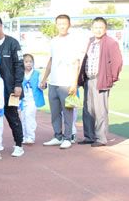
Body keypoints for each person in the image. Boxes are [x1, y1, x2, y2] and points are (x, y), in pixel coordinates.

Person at [77, 17, 123, 147]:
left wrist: (111, 78)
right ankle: (89, 136)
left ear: (105, 29)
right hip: (88, 79)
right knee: (88, 109)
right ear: (92, 28)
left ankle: (101, 138)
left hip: (101, 79)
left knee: (100, 110)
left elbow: (117, 62)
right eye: (96, 27)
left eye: (101, 27)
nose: (98, 30)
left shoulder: (111, 43)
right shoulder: (90, 41)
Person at [39, 14, 82, 150]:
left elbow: (76, 63)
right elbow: (51, 60)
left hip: (67, 82)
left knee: (67, 112)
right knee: (55, 112)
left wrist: (74, 83)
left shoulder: (73, 40)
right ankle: (58, 136)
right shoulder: (53, 41)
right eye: (59, 24)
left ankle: (68, 138)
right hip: (54, 82)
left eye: (64, 23)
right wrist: (44, 78)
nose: (62, 26)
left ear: (69, 25)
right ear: (56, 25)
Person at [0, 15, 25, 157]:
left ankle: (18, 145)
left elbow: (19, 65)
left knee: (12, 117)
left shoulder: (13, 43)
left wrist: (18, 84)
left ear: (0, 26)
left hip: (9, 88)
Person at [20, 53, 45, 145]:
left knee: (29, 116)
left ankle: (30, 136)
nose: (29, 63)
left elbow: (41, 85)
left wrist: (43, 85)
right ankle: (23, 136)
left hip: (33, 99)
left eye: (30, 61)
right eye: (26, 62)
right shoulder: (20, 74)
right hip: (23, 100)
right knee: (23, 118)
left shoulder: (37, 74)